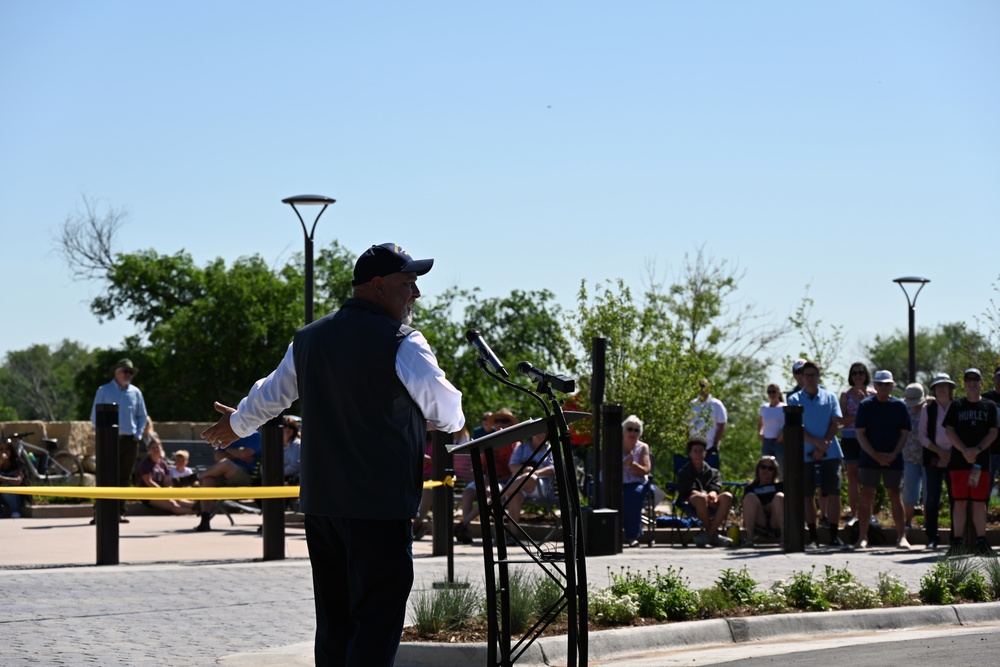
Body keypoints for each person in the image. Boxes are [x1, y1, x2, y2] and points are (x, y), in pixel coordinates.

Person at [200, 242, 464, 666]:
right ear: (378, 286)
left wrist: (237, 424)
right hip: (379, 505)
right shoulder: (404, 342)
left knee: (335, 621)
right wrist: (447, 421)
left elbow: (272, 394)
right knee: (376, 621)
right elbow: (447, 410)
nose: (416, 294)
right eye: (408, 283)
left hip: (324, 505)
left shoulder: (309, 338)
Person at [787, 361, 844, 547]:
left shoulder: (830, 397)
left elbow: (836, 421)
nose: (810, 378)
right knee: (807, 495)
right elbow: (794, 426)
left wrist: (824, 444)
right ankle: (812, 536)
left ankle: (834, 535)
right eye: (807, 375)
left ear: (819, 376)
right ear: (801, 377)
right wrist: (815, 442)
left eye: (813, 375)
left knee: (834, 492)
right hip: (805, 454)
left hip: (830, 452)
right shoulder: (794, 399)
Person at [853, 370, 912, 550]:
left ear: (892, 385)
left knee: (895, 496)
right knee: (867, 496)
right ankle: (862, 536)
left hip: (893, 458)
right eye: (880, 384)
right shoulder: (865, 406)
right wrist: (875, 455)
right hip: (870, 458)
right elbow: (860, 434)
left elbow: (905, 433)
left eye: (887, 384)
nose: (883, 387)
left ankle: (902, 537)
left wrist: (894, 453)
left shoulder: (900, 406)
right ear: (875, 386)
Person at [943, 368, 999, 557]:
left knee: (979, 503)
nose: (972, 382)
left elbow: (993, 432)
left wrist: (976, 450)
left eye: (976, 379)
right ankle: (957, 542)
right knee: (959, 502)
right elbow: (949, 430)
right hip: (959, 462)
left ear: (982, 383)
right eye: (968, 379)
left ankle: (981, 541)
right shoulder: (957, 405)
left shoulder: (990, 406)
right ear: (964, 384)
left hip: (980, 462)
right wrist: (964, 450)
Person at [90, 358, 149, 522]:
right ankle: (99, 513)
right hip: (109, 440)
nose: (129, 374)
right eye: (126, 371)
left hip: (130, 441)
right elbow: (95, 416)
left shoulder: (136, 393)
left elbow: (142, 417)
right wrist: (102, 436)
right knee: (105, 475)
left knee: (124, 477)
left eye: (131, 372)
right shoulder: (104, 390)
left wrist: (137, 435)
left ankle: (120, 512)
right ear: (117, 372)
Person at [455, 408, 518, 545]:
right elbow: (482, 467)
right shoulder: (488, 441)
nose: (500, 423)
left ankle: (464, 523)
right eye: (497, 421)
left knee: (489, 493)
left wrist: (493, 481)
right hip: (488, 480)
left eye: (505, 420)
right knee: (468, 493)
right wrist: (484, 479)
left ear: (511, 424)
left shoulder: (515, 444)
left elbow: (514, 472)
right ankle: (466, 531)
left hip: (506, 482)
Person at [918, 373, 956, 550]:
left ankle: (956, 537)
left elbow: (962, 434)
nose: (941, 388)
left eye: (945, 385)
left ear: (950, 388)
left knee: (956, 498)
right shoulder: (928, 408)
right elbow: (922, 436)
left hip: (955, 458)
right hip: (933, 458)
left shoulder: (957, 407)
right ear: (934, 389)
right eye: (938, 386)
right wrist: (941, 453)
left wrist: (949, 454)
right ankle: (932, 536)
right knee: (932, 499)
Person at [195, 431, 262, 531]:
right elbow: (218, 456)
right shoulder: (228, 433)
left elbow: (244, 453)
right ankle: (205, 519)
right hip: (224, 475)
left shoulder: (254, 435)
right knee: (207, 480)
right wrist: (238, 454)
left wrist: (227, 449)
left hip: (246, 476)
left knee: (226, 464)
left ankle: (195, 477)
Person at [677, 436, 733, 548]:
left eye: (701, 451)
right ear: (690, 454)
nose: (698, 454)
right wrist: (706, 496)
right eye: (695, 451)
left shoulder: (714, 472)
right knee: (701, 498)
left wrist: (712, 494)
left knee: (727, 496)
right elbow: (689, 490)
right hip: (692, 501)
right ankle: (714, 536)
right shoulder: (684, 471)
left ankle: (708, 535)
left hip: (711, 500)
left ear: (705, 453)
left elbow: (715, 487)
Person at [502, 430, 556, 543]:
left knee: (529, 477)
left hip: (541, 487)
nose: (541, 434)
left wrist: (535, 472)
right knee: (514, 496)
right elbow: (512, 466)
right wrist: (525, 469)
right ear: (531, 434)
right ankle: (513, 536)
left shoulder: (550, 449)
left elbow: (553, 470)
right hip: (519, 487)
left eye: (544, 432)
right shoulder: (521, 448)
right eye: (539, 432)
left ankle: (496, 498)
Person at [840, 362, 876, 527]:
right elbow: (842, 420)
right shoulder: (845, 395)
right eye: (854, 373)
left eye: (861, 372)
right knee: (852, 477)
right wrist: (859, 412)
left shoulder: (873, 394)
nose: (858, 376)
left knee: (868, 477)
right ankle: (854, 514)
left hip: (868, 439)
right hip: (849, 439)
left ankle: (869, 513)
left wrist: (864, 405)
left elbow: (875, 419)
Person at [137, 438, 195, 515]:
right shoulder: (145, 463)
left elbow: (167, 481)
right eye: (153, 448)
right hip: (149, 495)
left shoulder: (163, 463)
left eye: (158, 447)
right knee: (173, 505)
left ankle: (200, 507)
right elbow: (149, 482)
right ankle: (195, 511)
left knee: (180, 500)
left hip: (162, 492)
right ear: (149, 449)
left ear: (161, 449)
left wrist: (169, 491)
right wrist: (162, 493)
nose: (156, 449)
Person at [621, 414, 652, 548]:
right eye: (630, 429)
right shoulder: (615, 444)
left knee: (633, 495)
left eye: (636, 430)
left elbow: (645, 470)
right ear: (624, 430)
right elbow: (608, 467)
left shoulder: (643, 447)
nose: (633, 432)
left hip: (636, 482)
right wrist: (624, 463)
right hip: (615, 481)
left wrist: (632, 464)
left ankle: (632, 536)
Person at [901, 382, 927, 531]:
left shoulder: (929, 408)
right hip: (909, 456)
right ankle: (907, 522)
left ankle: (928, 523)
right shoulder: (903, 408)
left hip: (928, 457)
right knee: (909, 491)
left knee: (928, 493)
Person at [742, 456, 784, 547]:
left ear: (774, 472)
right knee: (750, 497)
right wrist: (765, 507)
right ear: (758, 469)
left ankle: (784, 537)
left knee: (779, 497)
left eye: (770, 469)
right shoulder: (750, 488)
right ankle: (749, 538)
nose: (766, 471)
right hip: (759, 520)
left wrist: (772, 506)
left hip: (775, 520)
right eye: (763, 467)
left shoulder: (780, 486)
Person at [689, 378, 728, 460]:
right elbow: (687, 425)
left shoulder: (716, 405)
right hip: (693, 448)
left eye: (704, 387)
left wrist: (715, 444)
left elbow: (722, 425)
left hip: (710, 446)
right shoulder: (692, 404)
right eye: (700, 387)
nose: (702, 390)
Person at [982, 366, 1000, 495]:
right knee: (986, 487)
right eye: (998, 377)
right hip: (989, 450)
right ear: (994, 379)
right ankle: (982, 514)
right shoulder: (985, 398)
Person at [759, 384, 785, 466]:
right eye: (769, 392)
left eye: (773, 392)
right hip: (767, 441)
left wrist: (783, 433)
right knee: (766, 465)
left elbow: (788, 423)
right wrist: (760, 432)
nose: (771, 394)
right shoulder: (764, 408)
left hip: (779, 442)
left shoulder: (783, 407)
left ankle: (781, 479)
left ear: (778, 392)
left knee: (780, 465)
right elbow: (760, 423)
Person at [0, 437, 25, 518]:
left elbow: (18, 481)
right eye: (1, 449)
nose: (4, 452)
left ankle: (15, 511)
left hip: (16, 495)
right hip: (3, 498)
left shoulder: (16, 463)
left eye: (7, 449)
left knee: (4, 487)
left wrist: (3, 478)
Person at [282, 416, 302, 482]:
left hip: (292, 481)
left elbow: (295, 466)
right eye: (285, 426)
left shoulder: (297, 444)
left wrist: (277, 473)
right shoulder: (274, 444)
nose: (287, 429)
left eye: (291, 427)